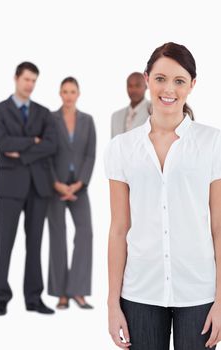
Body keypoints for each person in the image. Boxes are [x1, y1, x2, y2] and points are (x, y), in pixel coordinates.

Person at [104, 42, 221, 349]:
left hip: (199, 293)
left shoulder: (212, 143)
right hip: (140, 291)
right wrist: (112, 304)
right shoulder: (122, 148)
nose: (169, 89)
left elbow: (219, 227)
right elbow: (118, 229)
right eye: (160, 78)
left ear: (192, 85)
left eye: (179, 80)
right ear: (147, 80)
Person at [0, 62, 57, 315]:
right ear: (16, 78)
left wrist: (22, 150)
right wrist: (33, 141)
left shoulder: (44, 112)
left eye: (34, 81)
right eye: (26, 79)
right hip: (9, 187)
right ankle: (1, 297)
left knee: (36, 243)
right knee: (4, 242)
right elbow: (3, 143)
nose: (30, 85)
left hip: (39, 186)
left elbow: (51, 145)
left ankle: (33, 298)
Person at [48, 77, 96, 310]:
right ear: (60, 93)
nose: (68, 95)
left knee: (85, 233)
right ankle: (61, 294)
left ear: (78, 94)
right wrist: (56, 183)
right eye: (65, 91)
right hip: (54, 185)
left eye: (72, 91)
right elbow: (44, 153)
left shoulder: (87, 121)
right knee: (58, 236)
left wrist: (79, 184)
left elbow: (90, 154)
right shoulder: (50, 119)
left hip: (79, 186)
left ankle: (78, 290)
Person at [111, 72, 150, 138]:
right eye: (130, 86)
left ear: (146, 86)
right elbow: (113, 145)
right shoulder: (116, 116)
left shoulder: (153, 111)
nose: (133, 90)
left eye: (138, 85)